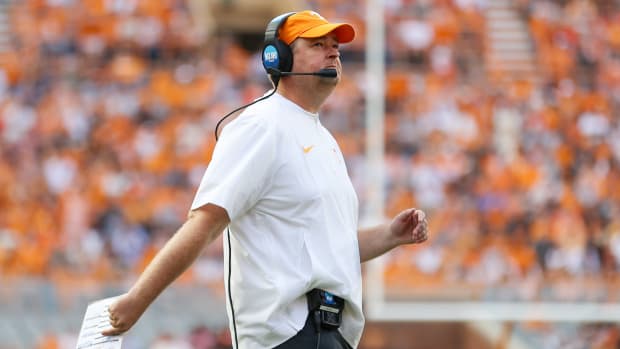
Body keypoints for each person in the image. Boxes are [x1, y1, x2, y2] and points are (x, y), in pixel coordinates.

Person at [102, 10, 429, 349]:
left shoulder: (324, 139)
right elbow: (205, 222)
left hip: (329, 333)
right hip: (287, 335)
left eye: (335, 46)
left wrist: (390, 235)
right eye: (318, 44)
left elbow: (328, 250)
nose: (333, 52)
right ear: (279, 57)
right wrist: (138, 299)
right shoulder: (260, 126)